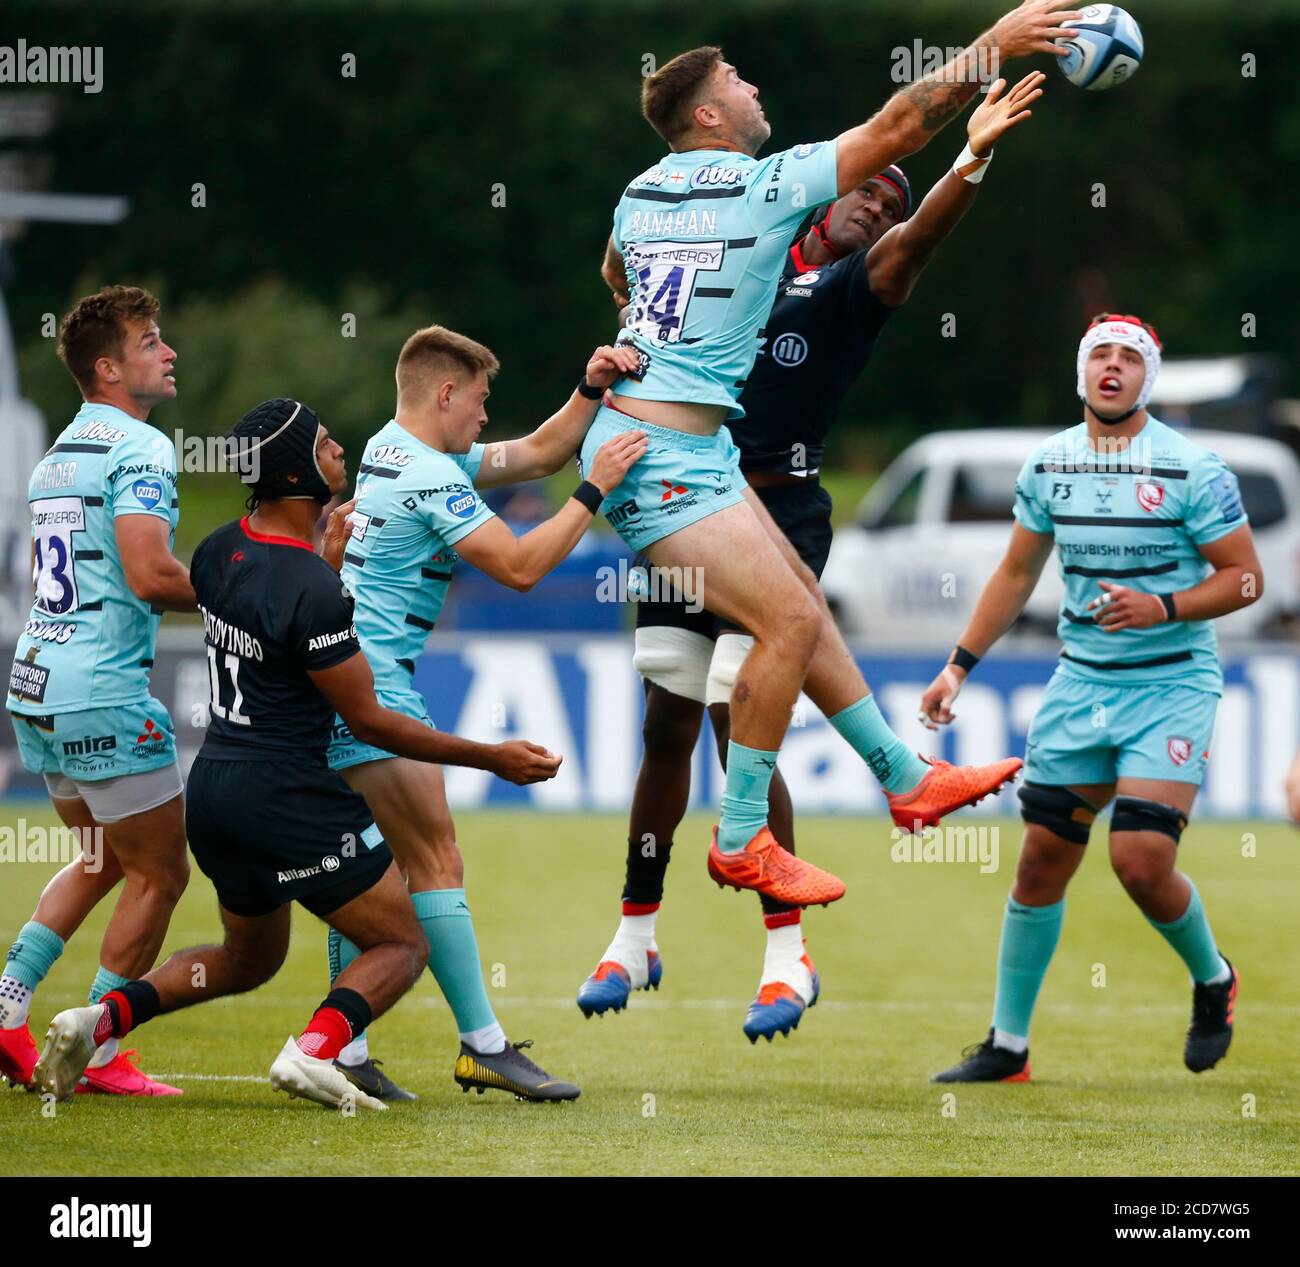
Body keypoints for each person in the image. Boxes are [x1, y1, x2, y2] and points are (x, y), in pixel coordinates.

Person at [578, 72, 1048, 1041]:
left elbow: (916, 239)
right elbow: (626, 265)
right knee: (664, 728)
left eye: (889, 203)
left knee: (728, 716)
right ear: (825, 196)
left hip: (776, 508)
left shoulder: (852, 288)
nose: (879, 204)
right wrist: (627, 334)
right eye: (872, 190)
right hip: (684, 490)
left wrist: (968, 159)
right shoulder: (745, 247)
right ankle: (635, 934)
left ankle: (786, 957)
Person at [33, 399, 565, 1109]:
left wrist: (327, 563)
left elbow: (266, 597)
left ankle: (98, 1018)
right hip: (282, 796)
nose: (340, 448)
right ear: (294, 472)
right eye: (324, 443)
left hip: (214, 790)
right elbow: (369, 718)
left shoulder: (219, 549)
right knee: (405, 940)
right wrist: (490, 755)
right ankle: (314, 1051)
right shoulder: (314, 589)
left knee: (248, 958)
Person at [922, 314, 1260, 1081]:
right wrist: (958, 667)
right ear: (1082, 374)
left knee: (1140, 860)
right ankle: (1008, 1047)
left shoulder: (1192, 467)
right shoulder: (1048, 464)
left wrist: (1164, 606)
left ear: (1149, 378)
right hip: (1083, 683)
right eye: (1099, 354)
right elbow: (1015, 574)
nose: (1113, 367)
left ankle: (1214, 979)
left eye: (1129, 358)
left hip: (1171, 680)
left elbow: (1246, 577)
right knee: (1041, 861)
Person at [323, 328, 646, 1102]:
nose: (483, 414)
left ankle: (345, 1046)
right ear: (444, 394)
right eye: (478, 399)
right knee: (436, 861)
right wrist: (594, 487)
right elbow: (523, 566)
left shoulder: (389, 449)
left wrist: (591, 385)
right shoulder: (431, 478)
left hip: (340, 679)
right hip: (374, 685)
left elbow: (535, 451)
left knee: (371, 875)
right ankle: (484, 1045)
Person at [1, 286, 194, 1096]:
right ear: (111, 368)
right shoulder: (140, 448)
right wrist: (247, 586)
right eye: (152, 341)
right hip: (100, 685)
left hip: (36, 679)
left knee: (101, 853)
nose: (169, 351)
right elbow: (149, 573)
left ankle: (7, 1011)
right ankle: (100, 1050)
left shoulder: (56, 455)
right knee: (163, 873)